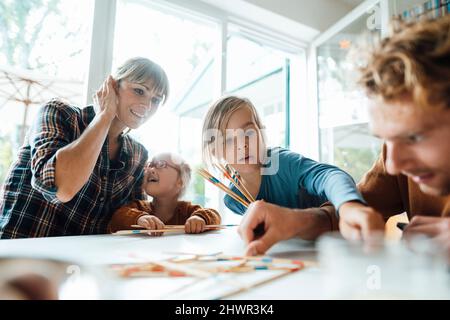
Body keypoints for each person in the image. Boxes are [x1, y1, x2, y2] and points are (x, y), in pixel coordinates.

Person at [0, 57, 169, 239]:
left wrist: (142, 218)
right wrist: (104, 116)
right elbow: (62, 189)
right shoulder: (58, 113)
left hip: (82, 263)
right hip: (19, 254)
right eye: (139, 90)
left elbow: (129, 214)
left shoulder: (138, 154)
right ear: (112, 85)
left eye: (156, 100)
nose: (147, 105)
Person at [201, 96, 377, 255]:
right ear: (216, 151)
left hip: (339, 244)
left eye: (249, 133)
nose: (243, 145)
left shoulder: (281, 162)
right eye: (229, 140)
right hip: (298, 256)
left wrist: (349, 204)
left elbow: (330, 175)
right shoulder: (233, 200)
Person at [340, 15, 450, 254]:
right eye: (385, 139)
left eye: (415, 137)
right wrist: (303, 220)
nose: (393, 165)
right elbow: (355, 207)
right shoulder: (395, 153)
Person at [108, 153, 221, 235]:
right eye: (150, 165)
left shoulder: (187, 211)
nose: (151, 170)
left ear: (180, 181)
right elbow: (117, 219)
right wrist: (140, 218)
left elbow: (214, 215)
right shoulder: (139, 208)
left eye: (161, 164)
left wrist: (199, 218)